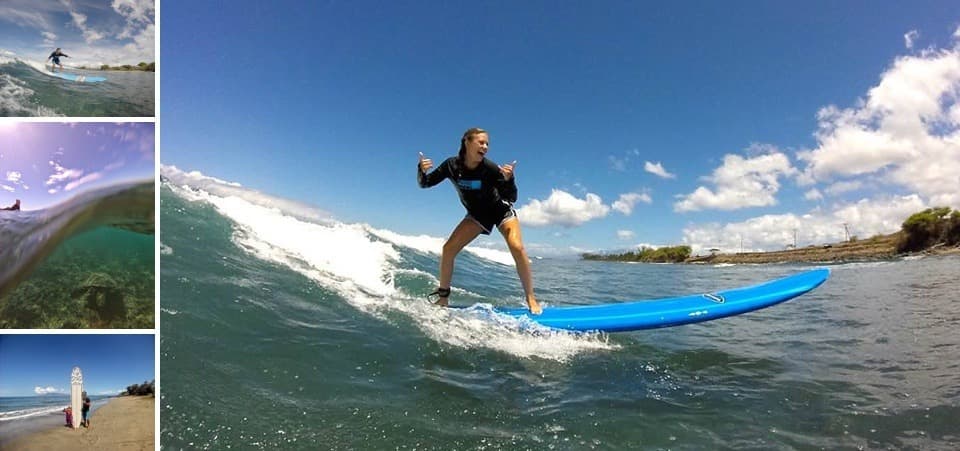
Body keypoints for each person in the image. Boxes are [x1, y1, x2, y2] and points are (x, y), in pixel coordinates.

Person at [417, 127, 542, 314]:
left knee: (517, 246)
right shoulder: (451, 166)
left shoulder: (490, 168)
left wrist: (509, 179)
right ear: (467, 142)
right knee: (448, 249)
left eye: (487, 144)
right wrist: (421, 170)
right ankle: (443, 298)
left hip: (500, 210)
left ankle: (531, 298)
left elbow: (512, 197)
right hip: (477, 215)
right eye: (481, 142)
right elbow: (425, 184)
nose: (485, 146)